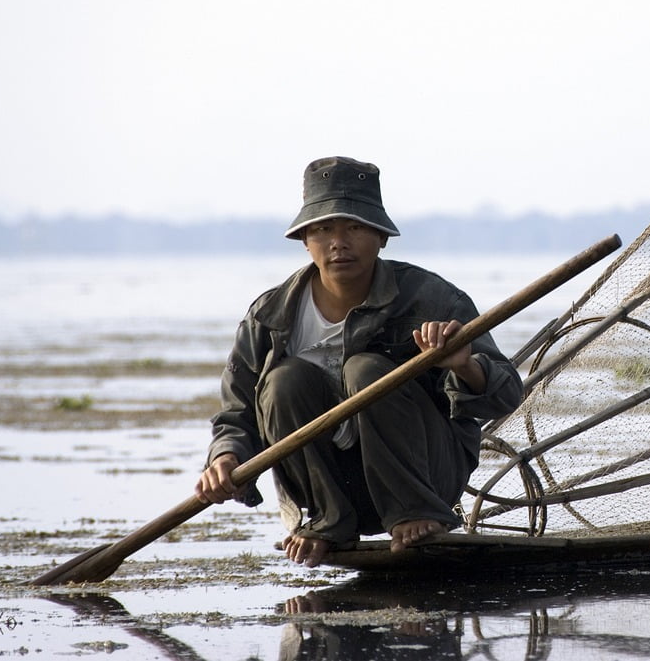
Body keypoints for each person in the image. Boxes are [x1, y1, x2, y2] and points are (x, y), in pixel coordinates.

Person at [194, 156, 524, 567]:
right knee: (283, 381)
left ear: (381, 237)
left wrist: (463, 365)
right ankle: (329, 522)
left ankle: (413, 511)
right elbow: (237, 414)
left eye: (354, 227)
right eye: (324, 229)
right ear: (305, 240)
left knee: (365, 370)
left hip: (424, 481)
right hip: (330, 486)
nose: (339, 242)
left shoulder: (433, 299)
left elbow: (507, 395)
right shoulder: (270, 316)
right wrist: (224, 459)